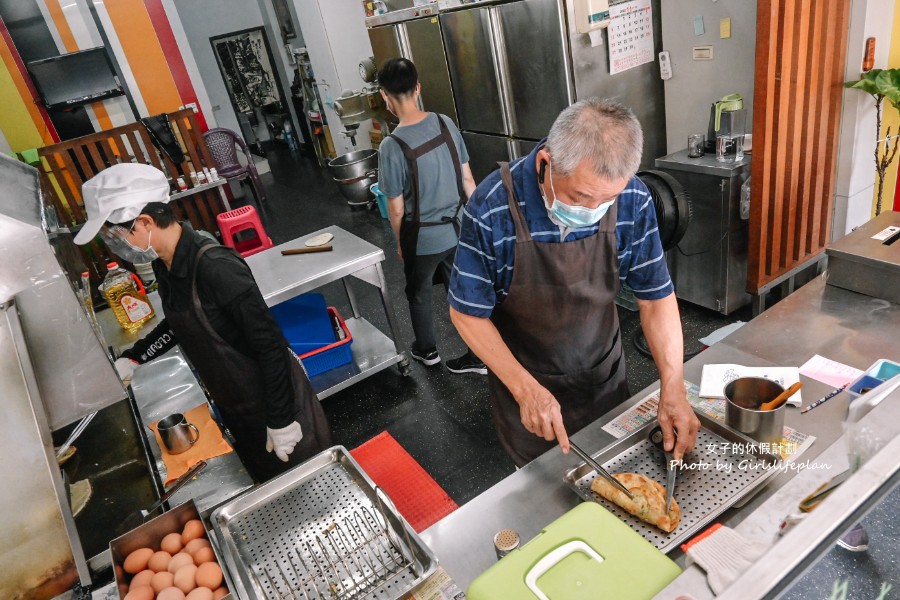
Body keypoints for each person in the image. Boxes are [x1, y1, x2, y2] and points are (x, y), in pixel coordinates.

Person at [448, 99, 700, 467]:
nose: (593, 210)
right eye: (581, 197)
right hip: (528, 384)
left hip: (604, 377)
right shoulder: (491, 209)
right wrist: (524, 388)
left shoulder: (632, 199)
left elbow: (655, 297)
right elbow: (466, 313)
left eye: (606, 200)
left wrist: (673, 383)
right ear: (546, 164)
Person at [73, 163, 331, 482]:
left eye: (116, 236)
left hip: (277, 404)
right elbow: (181, 322)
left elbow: (271, 347)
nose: (117, 246)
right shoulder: (167, 264)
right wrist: (136, 356)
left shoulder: (215, 267)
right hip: (237, 405)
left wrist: (281, 420)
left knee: (311, 482)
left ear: (144, 222)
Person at [377, 57, 486, 375]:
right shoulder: (444, 122)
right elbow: (468, 180)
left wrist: (400, 243)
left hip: (423, 238)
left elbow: (395, 207)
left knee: (419, 292)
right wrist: (478, 223)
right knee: (463, 291)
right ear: (418, 87)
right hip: (460, 226)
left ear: (384, 95)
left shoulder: (391, 145)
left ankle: (427, 351)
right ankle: (478, 356)